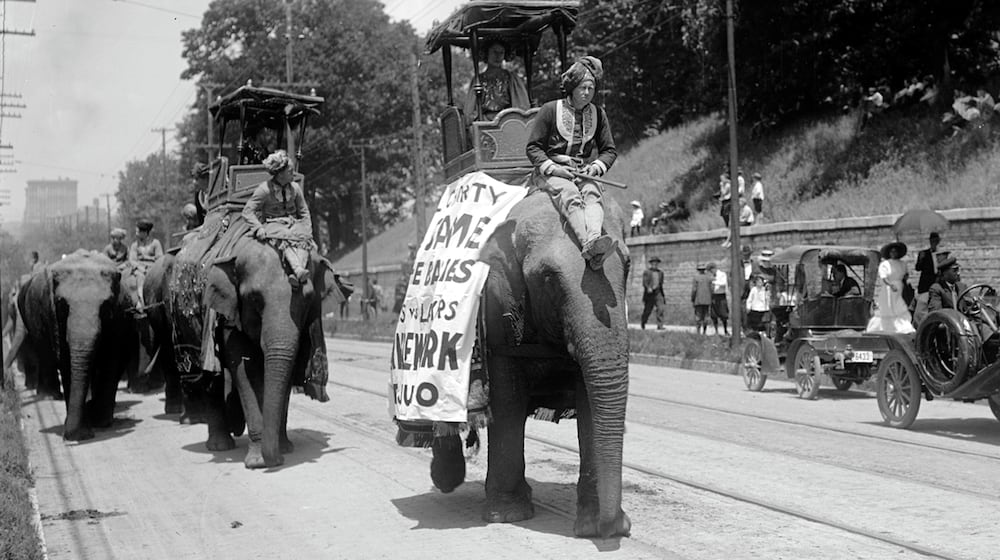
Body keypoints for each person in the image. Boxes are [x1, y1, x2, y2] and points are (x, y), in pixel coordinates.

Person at [526, 55, 618, 270]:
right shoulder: (549, 110)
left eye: (591, 88)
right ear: (571, 87)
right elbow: (533, 148)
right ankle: (587, 243)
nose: (587, 93)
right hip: (553, 173)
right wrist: (555, 169)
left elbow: (609, 150)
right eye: (582, 88)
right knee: (569, 194)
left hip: (583, 172)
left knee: (593, 191)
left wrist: (594, 168)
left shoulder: (599, 114)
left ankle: (596, 240)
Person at [242, 149, 315, 289]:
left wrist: (307, 228)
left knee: (304, 238)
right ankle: (298, 270)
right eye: (290, 171)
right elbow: (247, 211)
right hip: (273, 225)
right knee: (285, 238)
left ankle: (297, 271)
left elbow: (304, 212)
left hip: (294, 224)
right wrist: (258, 228)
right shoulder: (264, 190)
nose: (293, 173)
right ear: (280, 174)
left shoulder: (295, 188)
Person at [463, 38, 530, 124]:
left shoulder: (511, 78)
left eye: (501, 53)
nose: (498, 56)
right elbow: (470, 110)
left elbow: (521, 105)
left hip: (507, 121)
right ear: (487, 53)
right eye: (494, 52)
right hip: (484, 122)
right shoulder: (478, 80)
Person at [866, 241, 915, 334]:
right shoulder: (885, 264)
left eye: (895, 251)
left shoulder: (902, 264)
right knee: (888, 307)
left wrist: (905, 278)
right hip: (889, 288)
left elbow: (905, 274)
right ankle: (885, 327)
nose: (893, 253)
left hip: (900, 286)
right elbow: (884, 277)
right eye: (891, 252)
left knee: (900, 306)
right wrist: (890, 285)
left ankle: (902, 325)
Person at [913, 232, 942, 325]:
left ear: (938, 241)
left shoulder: (941, 254)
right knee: (921, 309)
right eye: (932, 241)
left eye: (935, 241)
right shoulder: (923, 253)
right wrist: (921, 259)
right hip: (926, 286)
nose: (933, 243)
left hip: (937, 284)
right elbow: (918, 268)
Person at [641, 256, 665, 330]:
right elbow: (644, 282)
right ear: (651, 263)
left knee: (660, 309)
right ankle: (643, 322)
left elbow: (661, 283)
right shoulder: (647, 272)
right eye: (653, 262)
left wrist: (662, 294)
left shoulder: (660, 273)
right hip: (649, 294)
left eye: (656, 262)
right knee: (648, 310)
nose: (655, 264)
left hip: (658, 293)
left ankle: (660, 325)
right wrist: (648, 288)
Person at [708, 262, 730, 335]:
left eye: (711, 270)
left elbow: (723, 283)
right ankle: (716, 330)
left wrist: (714, 282)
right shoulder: (712, 276)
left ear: (714, 269)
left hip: (721, 295)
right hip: (714, 296)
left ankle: (725, 329)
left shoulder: (722, 274)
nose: (711, 272)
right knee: (714, 314)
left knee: (723, 314)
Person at [691, 262, 713, 335]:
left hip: (698, 300)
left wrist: (692, 298)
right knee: (706, 315)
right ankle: (704, 331)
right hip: (707, 300)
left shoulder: (696, 277)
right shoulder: (708, 277)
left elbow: (694, 289)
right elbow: (712, 289)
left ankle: (698, 331)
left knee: (698, 316)